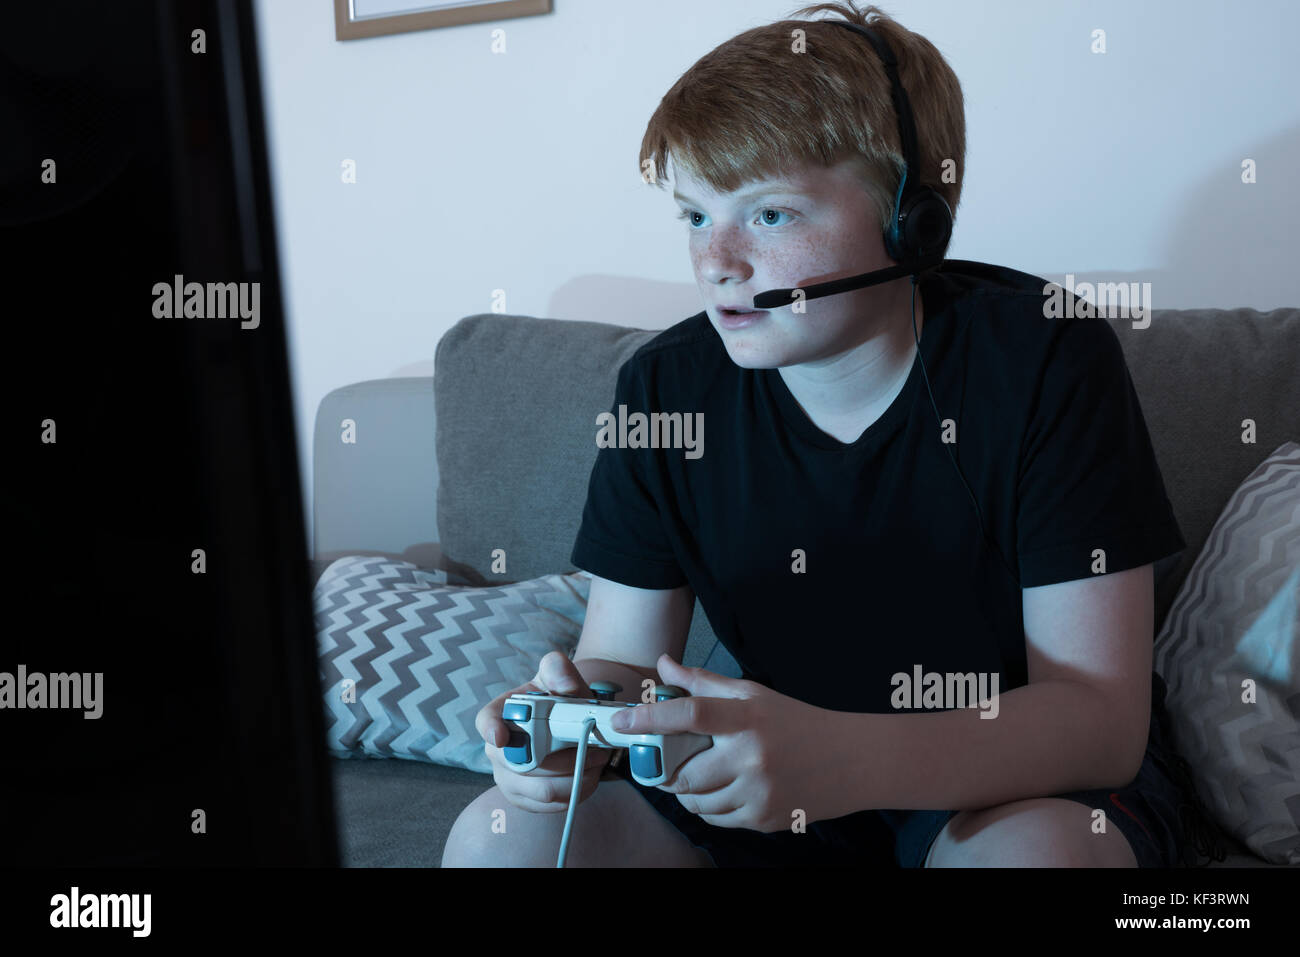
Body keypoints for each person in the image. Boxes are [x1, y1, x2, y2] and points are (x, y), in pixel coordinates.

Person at [442, 1, 1215, 868]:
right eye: (695, 215)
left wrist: (842, 760)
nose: (716, 261)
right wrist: (572, 724)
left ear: (911, 222)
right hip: (768, 779)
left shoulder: (1047, 357)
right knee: (495, 838)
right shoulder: (664, 387)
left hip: (1011, 780)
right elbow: (622, 659)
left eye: (770, 215)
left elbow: (1097, 721)